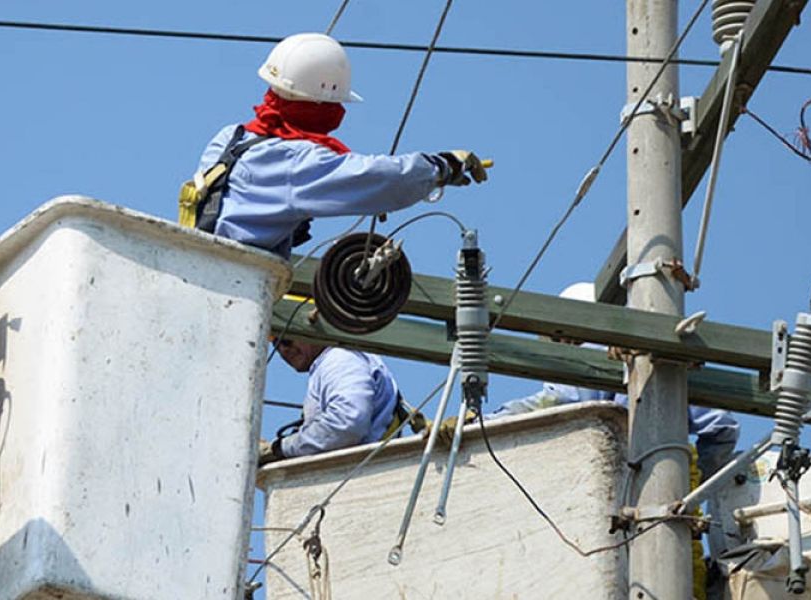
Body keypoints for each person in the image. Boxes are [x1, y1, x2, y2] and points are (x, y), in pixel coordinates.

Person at [185, 32, 487, 258]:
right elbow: (376, 177)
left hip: (198, 264)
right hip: (236, 279)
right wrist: (443, 165)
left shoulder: (231, 138)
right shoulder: (297, 161)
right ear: (321, 103)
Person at [488, 282, 740, 480]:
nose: (563, 345)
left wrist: (480, 423)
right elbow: (722, 428)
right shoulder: (671, 366)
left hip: (612, 493)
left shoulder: (582, 371)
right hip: (663, 496)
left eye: (563, 337)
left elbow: (543, 405)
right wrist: (696, 480)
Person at [259, 338, 401, 466]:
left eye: (286, 340)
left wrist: (281, 449)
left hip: (361, 474)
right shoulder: (334, 361)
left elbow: (347, 422)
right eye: (276, 344)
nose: (283, 349)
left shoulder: (339, 358)